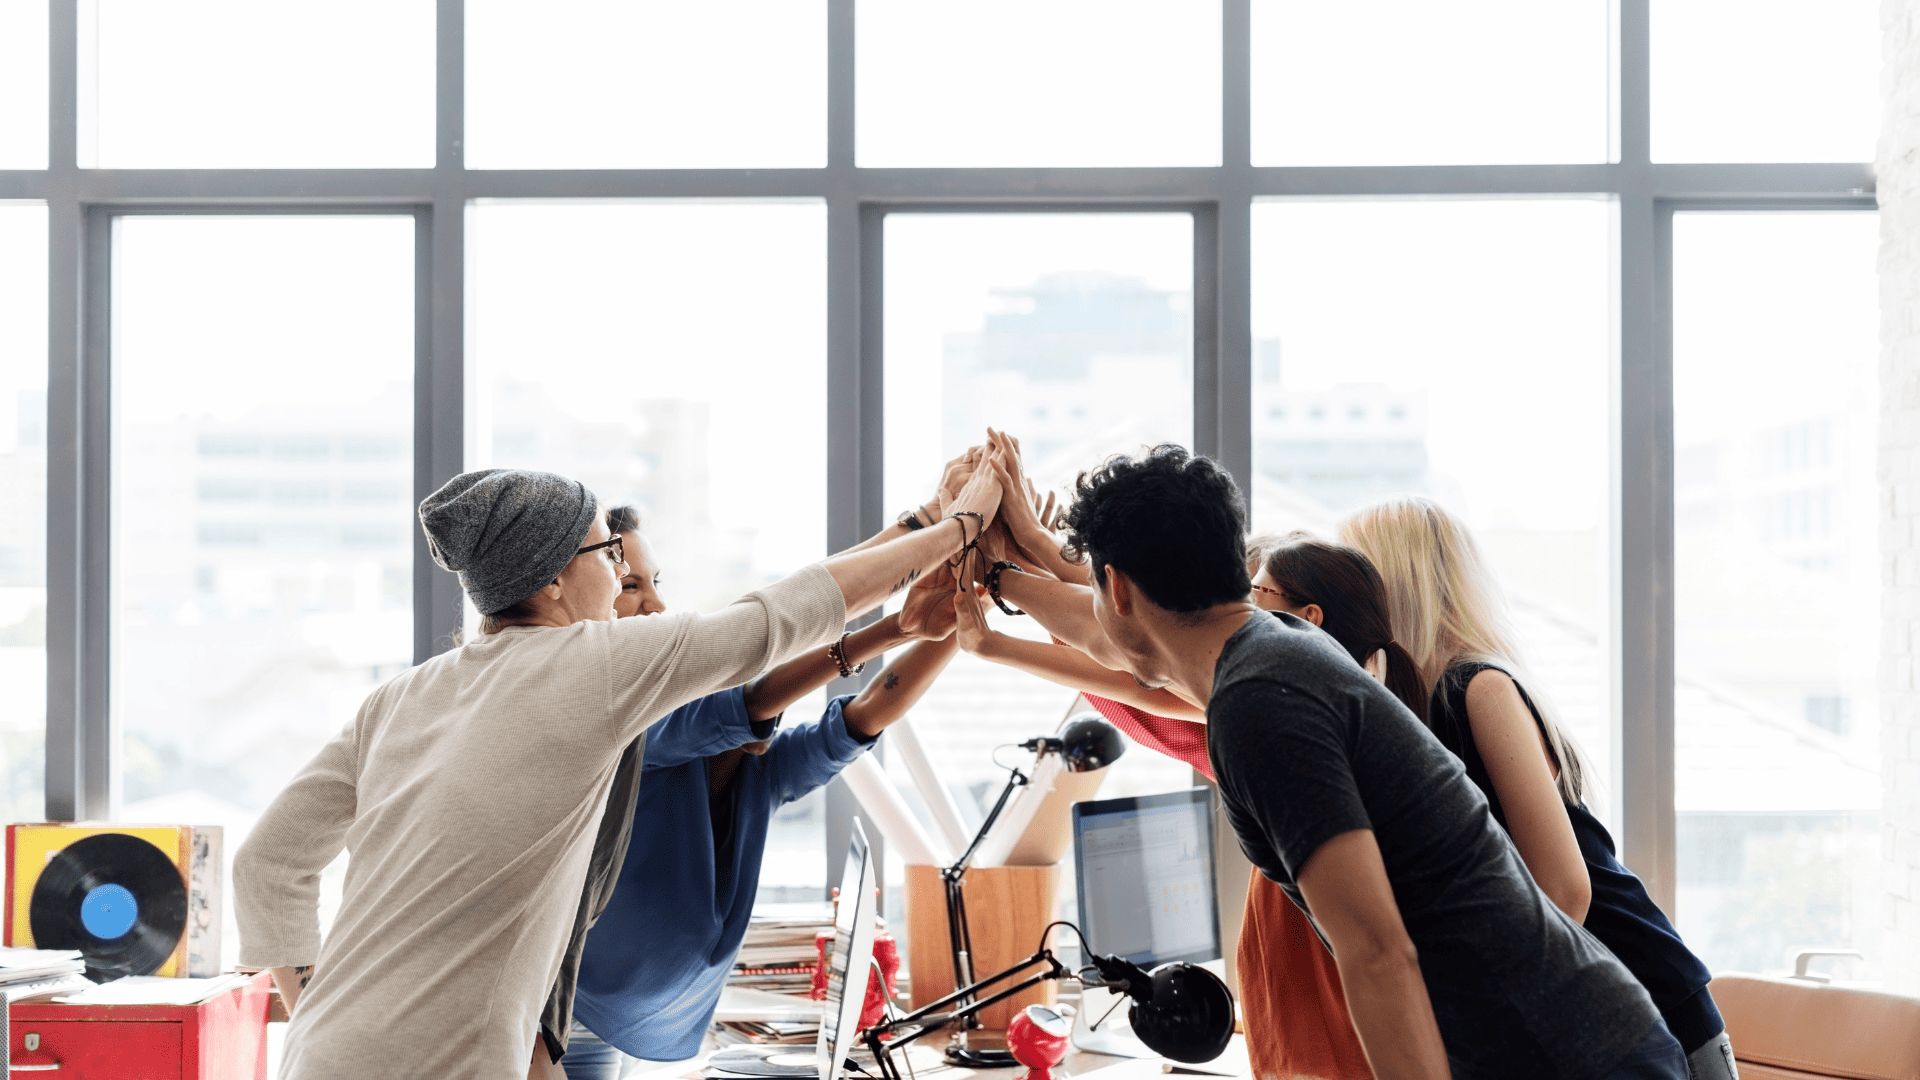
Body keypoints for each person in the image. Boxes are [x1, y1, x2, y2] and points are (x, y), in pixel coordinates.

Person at [233, 456, 1006, 1080]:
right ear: (552, 581)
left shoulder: (401, 697)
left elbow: (266, 864)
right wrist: (957, 527)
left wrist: (314, 1007)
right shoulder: (593, 666)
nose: (621, 568)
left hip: (324, 1053)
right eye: (608, 552)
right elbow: (778, 618)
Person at [1050, 443, 1681, 1080]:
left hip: (1572, 1060)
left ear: (1118, 588)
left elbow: (1376, 951)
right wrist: (1000, 582)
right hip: (1583, 1040)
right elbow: (1118, 648)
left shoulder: (1259, 702)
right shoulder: (1277, 649)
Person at [551, 505, 966, 1080]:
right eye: (631, 586)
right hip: (571, 1015)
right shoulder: (631, 725)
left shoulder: (747, 776)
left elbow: (861, 719)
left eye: (656, 584)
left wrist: (967, 611)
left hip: (617, 1016)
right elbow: (752, 691)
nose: (658, 606)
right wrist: (898, 621)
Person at [1340, 497, 1737, 1080]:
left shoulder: (1479, 688)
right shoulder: (1419, 707)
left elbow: (1565, 889)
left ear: (1395, 582)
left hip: (1648, 1002)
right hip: (1593, 1013)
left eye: (1356, 576)